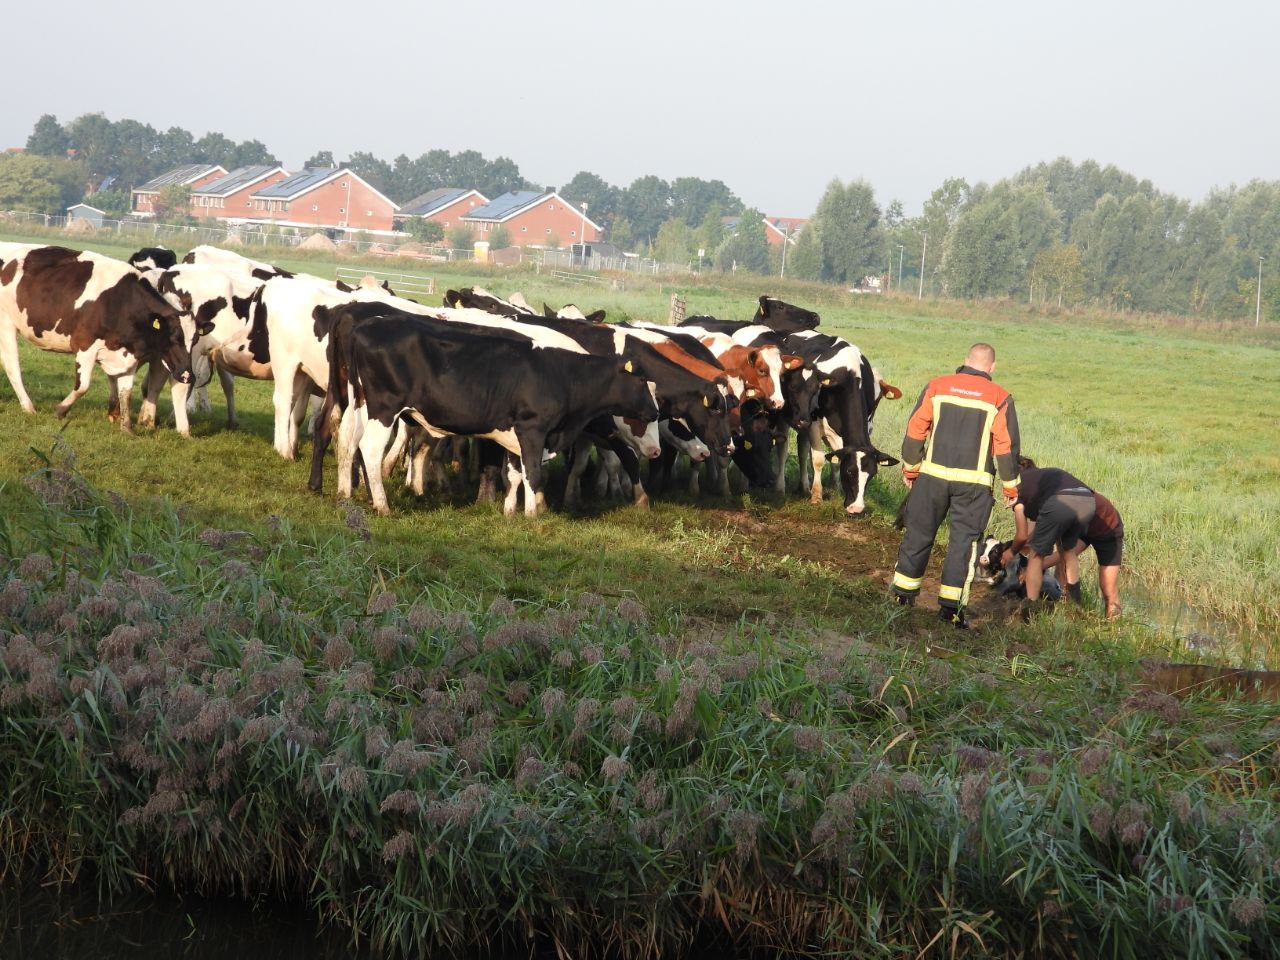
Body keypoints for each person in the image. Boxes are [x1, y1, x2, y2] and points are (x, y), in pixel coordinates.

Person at [892, 343, 1021, 629]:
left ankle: (902, 596)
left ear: (964, 361)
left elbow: (916, 429)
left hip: (932, 477)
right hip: (973, 486)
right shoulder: (1000, 398)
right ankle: (950, 611)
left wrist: (911, 468)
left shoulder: (937, 386)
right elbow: (1005, 447)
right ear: (992, 368)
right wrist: (1011, 488)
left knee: (918, 535)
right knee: (962, 546)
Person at [1002, 457, 1124, 618]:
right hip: (1085, 507)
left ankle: (1031, 609)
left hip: (1105, 527)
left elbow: (1025, 537)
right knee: (1066, 553)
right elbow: (1036, 535)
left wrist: (1022, 560)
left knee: (1039, 557)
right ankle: (1072, 605)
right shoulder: (1044, 483)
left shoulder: (1018, 486)